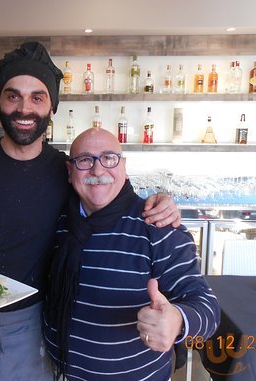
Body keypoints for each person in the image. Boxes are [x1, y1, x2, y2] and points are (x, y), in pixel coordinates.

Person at [0, 42, 182, 381]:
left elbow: (115, 193)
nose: (24, 108)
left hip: (29, 328)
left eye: (37, 97)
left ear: (51, 108)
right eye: (13, 95)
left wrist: (162, 200)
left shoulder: (67, 170)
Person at [44, 128, 221, 381]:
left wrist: (178, 322)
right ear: (70, 172)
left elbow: (207, 306)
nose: (97, 170)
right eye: (84, 160)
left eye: (109, 158)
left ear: (123, 167)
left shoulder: (158, 227)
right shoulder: (59, 221)